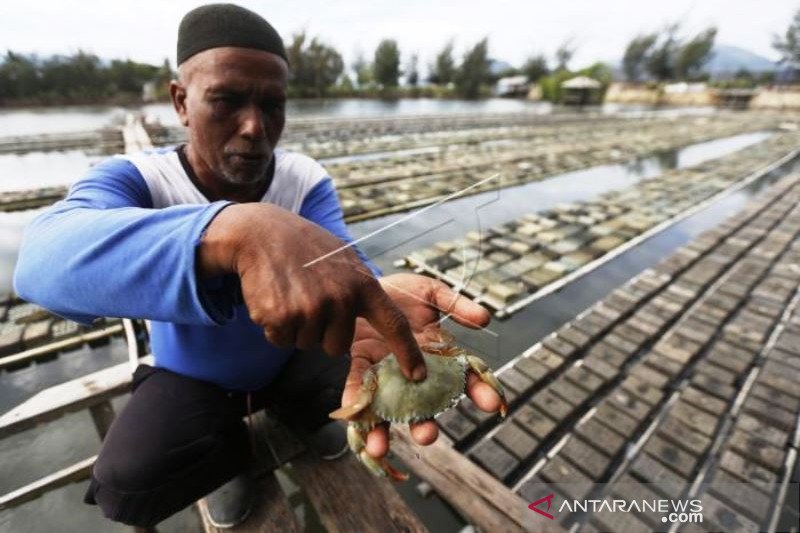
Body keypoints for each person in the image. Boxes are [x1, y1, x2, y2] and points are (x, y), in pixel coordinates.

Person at [13, 3, 502, 529]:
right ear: (181, 101)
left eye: (273, 105)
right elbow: (41, 262)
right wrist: (231, 231)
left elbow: (345, 264)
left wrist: (376, 294)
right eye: (225, 101)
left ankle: (301, 415)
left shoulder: (302, 179)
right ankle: (228, 460)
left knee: (368, 366)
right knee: (127, 484)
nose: (253, 127)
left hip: (289, 358)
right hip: (193, 375)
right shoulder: (137, 180)